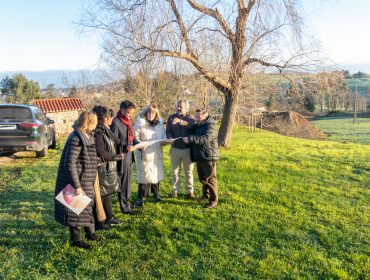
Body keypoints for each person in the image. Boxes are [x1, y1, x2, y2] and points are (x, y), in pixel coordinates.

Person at [54, 111, 98, 249]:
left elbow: (84, 157)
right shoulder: (76, 138)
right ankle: (77, 241)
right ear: (88, 123)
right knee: (75, 210)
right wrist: (77, 186)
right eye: (94, 122)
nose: (96, 125)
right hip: (78, 179)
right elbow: (70, 163)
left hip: (86, 178)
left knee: (87, 207)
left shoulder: (87, 136)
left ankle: (90, 233)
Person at [92, 106, 125, 228]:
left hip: (108, 167)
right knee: (102, 193)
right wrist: (116, 157)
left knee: (106, 193)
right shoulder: (98, 132)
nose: (112, 119)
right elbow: (101, 152)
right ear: (105, 119)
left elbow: (117, 142)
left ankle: (109, 217)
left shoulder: (106, 129)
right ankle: (102, 220)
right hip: (102, 168)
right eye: (110, 117)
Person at [183, 108, 219, 209]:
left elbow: (205, 138)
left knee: (211, 179)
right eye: (196, 116)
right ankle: (205, 195)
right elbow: (190, 128)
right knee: (203, 178)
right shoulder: (198, 125)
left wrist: (190, 139)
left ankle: (213, 200)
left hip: (208, 157)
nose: (197, 118)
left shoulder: (210, 126)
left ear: (205, 115)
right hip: (200, 156)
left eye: (199, 117)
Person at [134, 105, 166, 207]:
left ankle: (156, 194)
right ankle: (141, 197)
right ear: (146, 113)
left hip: (156, 152)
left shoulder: (160, 124)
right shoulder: (140, 123)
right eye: (149, 112)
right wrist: (139, 145)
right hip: (145, 153)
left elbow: (163, 136)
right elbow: (134, 137)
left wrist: (165, 141)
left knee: (156, 174)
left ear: (156, 114)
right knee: (144, 175)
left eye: (153, 113)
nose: (151, 115)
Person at [110, 100, 138, 215]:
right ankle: (125, 207)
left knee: (127, 182)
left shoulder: (128, 121)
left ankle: (125, 203)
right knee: (124, 183)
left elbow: (132, 138)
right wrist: (126, 147)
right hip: (122, 157)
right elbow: (112, 142)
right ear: (121, 110)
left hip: (129, 156)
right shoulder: (116, 122)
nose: (130, 116)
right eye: (128, 113)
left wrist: (139, 144)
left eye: (132, 114)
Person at [166, 100, 196, 198]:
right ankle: (175, 191)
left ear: (186, 108)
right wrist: (169, 137)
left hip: (187, 149)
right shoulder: (171, 118)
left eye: (181, 107)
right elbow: (168, 130)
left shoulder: (191, 118)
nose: (179, 108)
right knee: (175, 172)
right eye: (178, 106)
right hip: (175, 149)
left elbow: (191, 125)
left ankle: (190, 192)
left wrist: (180, 121)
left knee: (189, 172)